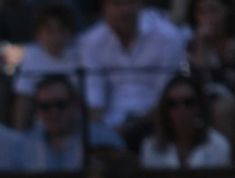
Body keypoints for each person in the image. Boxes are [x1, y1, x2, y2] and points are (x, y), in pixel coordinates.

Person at [76, 0, 187, 145]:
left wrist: (129, 128)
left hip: (158, 121)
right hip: (110, 125)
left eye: (128, 3)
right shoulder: (90, 42)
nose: (123, 10)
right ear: (104, 7)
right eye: (116, 4)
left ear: (141, 4)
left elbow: (167, 96)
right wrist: (97, 132)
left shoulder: (169, 37)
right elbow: (94, 98)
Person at [185, 0, 235, 164]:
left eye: (214, 10)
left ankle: (224, 171)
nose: (209, 18)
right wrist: (201, 50)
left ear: (227, 11)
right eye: (202, 12)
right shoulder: (194, 46)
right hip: (208, 113)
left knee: (223, 109)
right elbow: (193, 91)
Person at [19, 73, 125, 171]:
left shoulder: (104, 140)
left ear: (75, 104)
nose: (53, 113)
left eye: (60, 105)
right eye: (45, 106)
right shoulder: (26, 146)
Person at [6, 2, 79, 130]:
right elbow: (23, 101)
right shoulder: (30, 56)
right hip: (41, 130)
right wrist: (19, 136)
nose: (56, 37)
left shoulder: (80, 56)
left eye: (61, 30)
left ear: (70, 33)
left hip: (74, 129)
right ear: (38, 35)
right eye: (49, 31)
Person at [139, 74, 232, 170]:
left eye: (188, 102)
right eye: (173, 104)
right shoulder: (150, 147)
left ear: (199, 106)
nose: (181, 110)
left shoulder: (218, 146)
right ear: (165, 109)